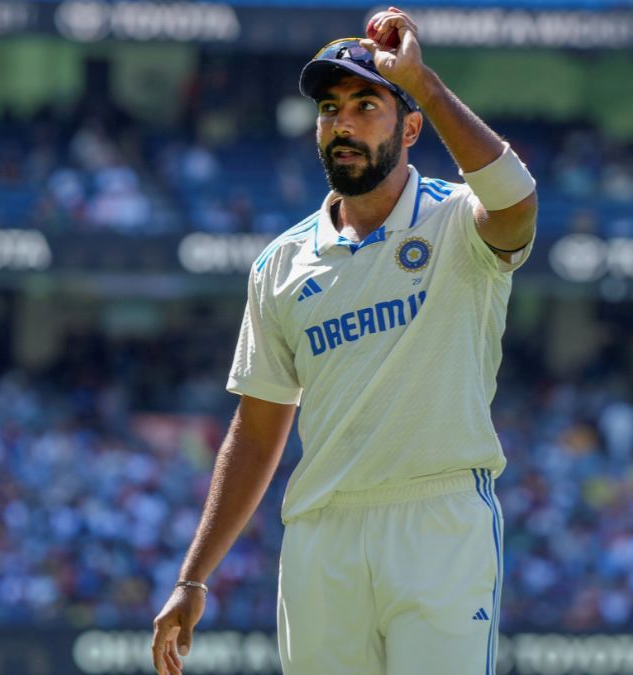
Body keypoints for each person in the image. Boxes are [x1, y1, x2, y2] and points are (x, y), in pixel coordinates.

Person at [151, 8, 538, 674]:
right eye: (330, 109)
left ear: (411, 126)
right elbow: (258, 430)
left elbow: (517, 201)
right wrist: (193, 575)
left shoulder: (457, 221)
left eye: (367, 105)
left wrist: (423, 82)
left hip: (439, 521)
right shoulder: (281, 264)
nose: (344, 124)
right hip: (320, 533)